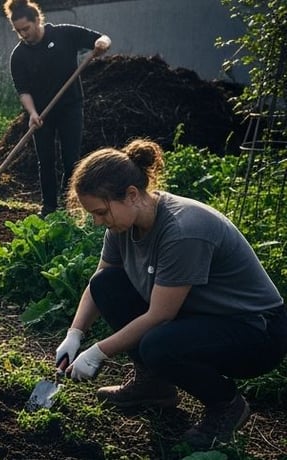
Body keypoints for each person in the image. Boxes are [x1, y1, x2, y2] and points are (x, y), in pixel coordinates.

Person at [57, 139, 287, 449]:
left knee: (157, 343)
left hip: (256, 331)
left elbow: (160, 316)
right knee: (107, 285)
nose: (98, 222)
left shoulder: (181, 230)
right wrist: (74, 334)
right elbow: (100, 279)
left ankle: (226, 405)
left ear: (132, 195)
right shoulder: (121, 228)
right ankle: (153, 386)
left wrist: (98, 352)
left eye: (101, 212)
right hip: (203, 318)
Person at [4, 0, 111, 216]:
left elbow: (102, 38)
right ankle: (49, 208)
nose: (23, 34)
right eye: (18, 31)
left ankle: (71, 207)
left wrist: (101, 45)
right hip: (41, 114)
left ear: (37, 20)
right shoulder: (19, 55)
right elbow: (23, 90)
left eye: (26, 28)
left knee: (71, 159)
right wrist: (32, 114)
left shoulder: (64, 34)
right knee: (45, 160)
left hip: (70, 107)